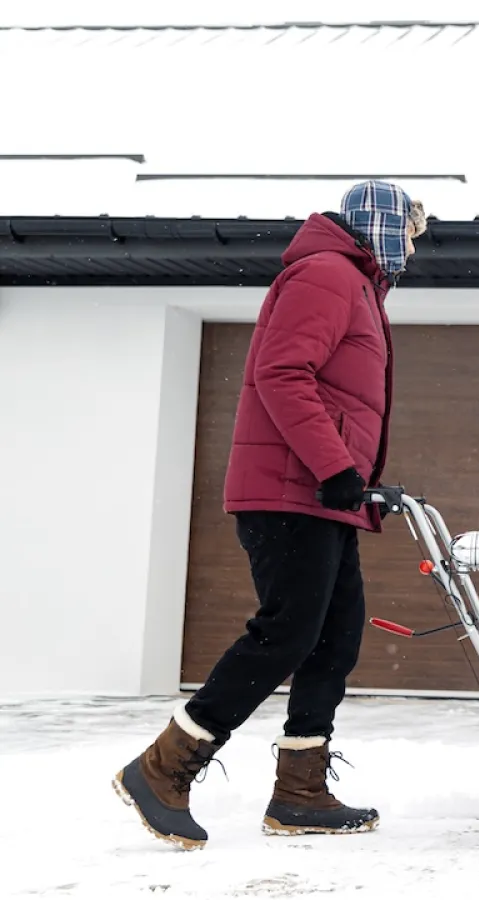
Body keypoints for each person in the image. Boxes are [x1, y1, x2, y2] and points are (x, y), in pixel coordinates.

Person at [112, 180, 427, 850]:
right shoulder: (327, 275)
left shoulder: (355, 286)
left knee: (334, 641)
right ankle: (163, 768)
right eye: (410, 233)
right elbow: (284, 374)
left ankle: (300, 792)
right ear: (382, 225)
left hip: (321, 498)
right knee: (287, 632)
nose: (412, 249)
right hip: (291, 491)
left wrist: (351, 479)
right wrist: (335, 467)